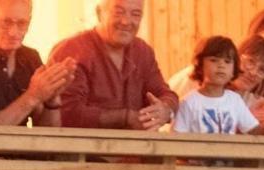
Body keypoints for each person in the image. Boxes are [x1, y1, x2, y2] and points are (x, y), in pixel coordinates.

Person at [48, 0, 177, 131]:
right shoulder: (72, 50)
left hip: (138, 150)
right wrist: (125, 117)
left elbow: (167, 94)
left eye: (136, 14)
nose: (126, 21)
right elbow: (67, 113)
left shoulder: (143, 51)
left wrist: (165, 109)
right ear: (99, 13)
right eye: (118, 12)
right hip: (83, 149)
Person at [0, 0, 75, 126]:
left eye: (22, 23)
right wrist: (32, 96)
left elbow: (47, 134)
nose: (13, 32)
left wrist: (52, 100)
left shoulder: (31, 58)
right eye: (6, 22)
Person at [172, 36, 264, 136]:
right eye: (214, 60)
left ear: (234, 69)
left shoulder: (235, 100)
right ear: (200, 65)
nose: (221, 65)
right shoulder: (189, 102)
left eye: (227, 61)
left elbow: (254, 130)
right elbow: (177, 138)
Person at [230, 35, 264, 120]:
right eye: (250, 61)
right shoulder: (209, 90)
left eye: (262, 70)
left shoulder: (255, 103)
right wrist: (246, 119)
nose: (253, 72)